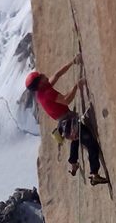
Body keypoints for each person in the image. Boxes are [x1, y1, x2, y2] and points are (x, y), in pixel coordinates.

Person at [25, 56, 109, 185]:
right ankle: (94, 174)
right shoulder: (47, 93)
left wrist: (72, 62)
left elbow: (57, 75)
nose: (44, 75)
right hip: (69, 122)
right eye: (41, 76)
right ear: (40, 82)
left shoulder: (41, 91)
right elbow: (66, 100)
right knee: (91, 143)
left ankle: (73, 161)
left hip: (65, 123)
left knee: (76, 138)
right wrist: (77, 86)